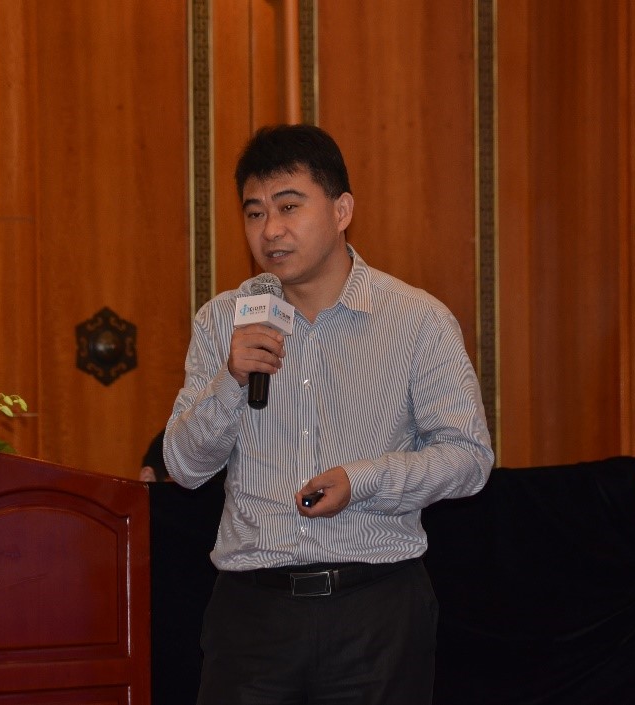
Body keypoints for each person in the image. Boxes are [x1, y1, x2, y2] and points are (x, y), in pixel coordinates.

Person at [163, 123, 494, 704]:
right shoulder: (223, 320)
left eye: (289, 206)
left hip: (376, 612)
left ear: (342, 211)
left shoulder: (417, 321)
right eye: (255, 212)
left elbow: (468, 458)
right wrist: (230, 381)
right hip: (251, 617)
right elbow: (185, 468)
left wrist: (362, 480)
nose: (271, 229)